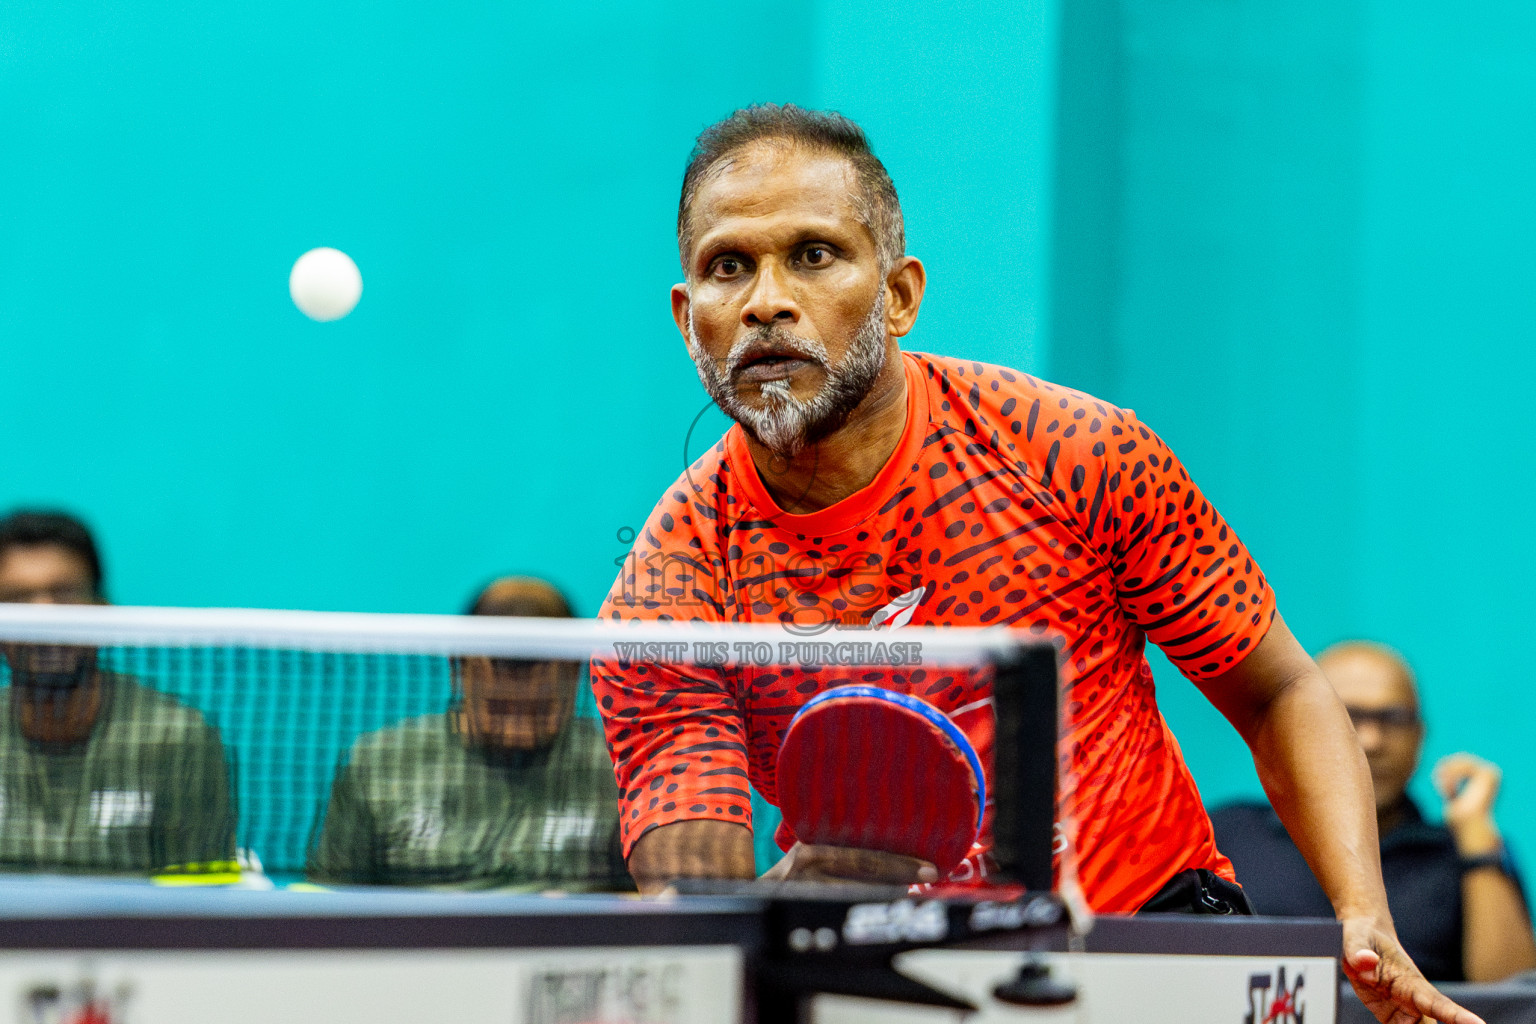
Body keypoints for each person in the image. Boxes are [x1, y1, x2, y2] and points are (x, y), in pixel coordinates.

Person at [590, 104, 1480, 1024]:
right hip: (887, 976)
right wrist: (792, 895)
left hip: (1148, 935)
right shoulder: (669, 588)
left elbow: (1278, 691)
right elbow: (696, 903)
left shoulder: (1073, 452)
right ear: (687, 314)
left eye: (813, 255)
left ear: (899, 295)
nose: (766, 299)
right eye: (727, 265)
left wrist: (1363, 914)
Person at [1212, 641, 1536, 982]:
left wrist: (1477, 839)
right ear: (1296, 726)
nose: (1371, 740)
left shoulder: (1465, 855)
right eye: (1347, 715)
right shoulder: (1230, 833)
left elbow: (1513, 1001)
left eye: (1393, 718)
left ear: (1419, 737)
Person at [308, 577, 630, 890]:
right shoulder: (377, 763)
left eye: (539, 708)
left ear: (575, 674)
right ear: (458, 669)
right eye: (500, 706)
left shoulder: (622, 765)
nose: (519, 726)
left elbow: (653, 898)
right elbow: (329, 902)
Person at [0, 510, 236, 876]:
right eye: (16, 599)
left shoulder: (177, 739)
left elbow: (199, 908)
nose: (43, 620)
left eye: (64, 595)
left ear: (103, 611)